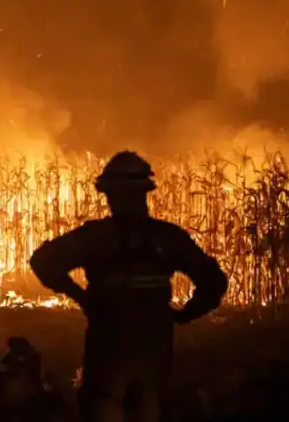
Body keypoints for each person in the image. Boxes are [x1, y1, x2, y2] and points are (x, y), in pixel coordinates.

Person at [29, 151, 228, 422]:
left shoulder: (95, 237)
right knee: (149, 406)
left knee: (106, 408)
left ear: (109, 194)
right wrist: (185, 314)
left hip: (109, 339)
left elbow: (44, 261)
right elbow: (213, 281)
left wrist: (81, 297)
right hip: (152, 342)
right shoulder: (167, 237)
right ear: (145, 192)